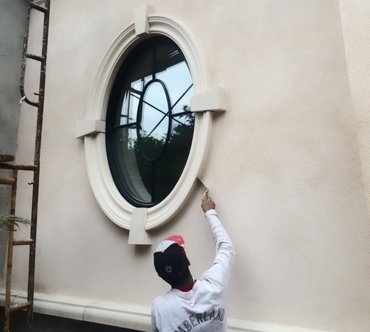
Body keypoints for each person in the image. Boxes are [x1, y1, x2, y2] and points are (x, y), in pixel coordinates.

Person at [151, 191, 235, 332]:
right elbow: (226, 248)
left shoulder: (160, 308)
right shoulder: (214, 285)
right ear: (187, 261)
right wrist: (210, 213)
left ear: (161, 276)